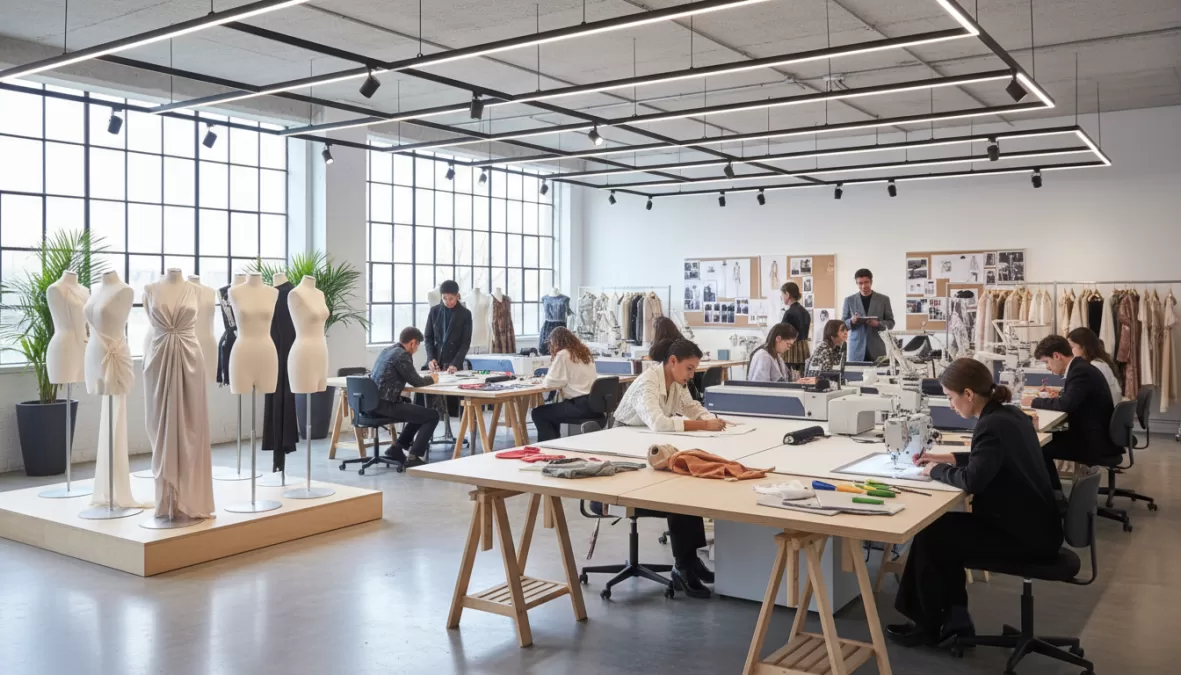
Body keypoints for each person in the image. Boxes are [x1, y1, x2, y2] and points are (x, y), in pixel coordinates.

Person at [888, 358, 1062, 647]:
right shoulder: (1010, 415)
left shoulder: (991, 425)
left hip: (1023, 537)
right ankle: (952, 620)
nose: (951, 405)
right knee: (940, 532)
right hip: (1040, 525)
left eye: (951, 398)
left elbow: (973, 481)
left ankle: (930, 625)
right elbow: (991, 460)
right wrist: (946, 458)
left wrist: (936, 471)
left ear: (968, 394)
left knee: (932, 536)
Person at [614, 338, 724, 599]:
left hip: (648, 446)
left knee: (689, 486)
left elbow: (690, 407)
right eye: (688, 368)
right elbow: (660, 423)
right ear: (672, 361)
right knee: (678, 492)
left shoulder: (676, 382)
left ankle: (690, 562)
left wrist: (712, 419)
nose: (691, 374)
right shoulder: (648, 384)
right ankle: (683, 567)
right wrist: (704, 427)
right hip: (623, 449)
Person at [1021, 334, 1123, 493]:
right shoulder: (1080, 367)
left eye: (1047, 362)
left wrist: (1032, 402)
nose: (1048, 367)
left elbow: (1066, 404)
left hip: (1093, 441)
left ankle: (1054, 496)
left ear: (1057, 356)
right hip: (1093, 431)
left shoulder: (1080, 372)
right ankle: (1052, 492)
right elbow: (1072, 399)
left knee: (1037, 448)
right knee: (1045, 436)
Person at [370, 327, 441, 467]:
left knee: (419, 412)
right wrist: (433, 378)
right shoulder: (401, 355)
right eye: (417, 346)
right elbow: (417, 381)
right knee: (432, 415)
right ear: (413, 342)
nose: (416, 349)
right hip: (385, 404)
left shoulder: (387, 350)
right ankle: (414, 456)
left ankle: (396, 448)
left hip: (373, 403)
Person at [531, 327, 600, 441]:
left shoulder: (563, 354)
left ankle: (548, 448)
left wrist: (541, 381)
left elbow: (550, 383)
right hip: (594, 404)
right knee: (552, 412)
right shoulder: (585, 353)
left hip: (579, 406)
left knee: (539, 413)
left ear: (556, 342)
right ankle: (555, 445)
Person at [420, 280, 473, 417]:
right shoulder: (434, 311)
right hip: (435, 361)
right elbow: (428, 338)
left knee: (453, 404)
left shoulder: (465, 314)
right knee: (425, 400)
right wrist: (430, 358)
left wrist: (455, 363)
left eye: (451, 298)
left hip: (454, 361)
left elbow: (465, 343)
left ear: (457, 296)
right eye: (444, 298)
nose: (448, 302)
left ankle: (457, 433)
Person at [841, 268, 895, 362]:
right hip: (856, 350)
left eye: (866, 282)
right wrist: (852, 321)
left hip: (877, 349)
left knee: (880, 376)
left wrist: (878, 324)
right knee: (855, 376)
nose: (863, 286)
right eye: (860, 283)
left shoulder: (883, 300)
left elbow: (891, 323)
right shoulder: (849, 300)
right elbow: (842, 325)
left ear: (871, 282)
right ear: (856, 283)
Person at [1067, 327, 1123, 405]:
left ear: (1084, 347)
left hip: (1104, 413)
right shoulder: (1101, 363)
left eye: (1072, 347)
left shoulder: (1094, 366)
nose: (1070, 352)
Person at [780, 282, 811, 372]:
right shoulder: (805, 312)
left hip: (791, 353)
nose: (781, 297)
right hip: (804, 350)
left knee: (790, 379)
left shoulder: (789, 313)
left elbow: (782, 334)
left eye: (782, 294)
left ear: (787, 294)